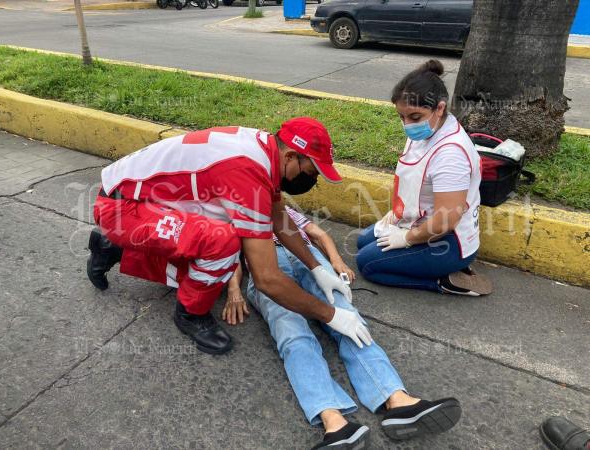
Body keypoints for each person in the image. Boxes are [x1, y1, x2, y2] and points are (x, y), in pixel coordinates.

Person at [87, 118, 372, 355]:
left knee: (209, 257)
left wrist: (317, 267)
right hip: (122, 210)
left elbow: (278, 217)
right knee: (223, 244)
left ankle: (113, 248)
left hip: (144, 200)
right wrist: (331, 315)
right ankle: (190, 314)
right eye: (311, 172)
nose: (313, 181)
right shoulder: (246, 170)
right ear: (290, 156)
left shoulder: (262, 149)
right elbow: (267, 279)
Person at [223, 206, 463, 449]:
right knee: (292, 334)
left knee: (350, 321)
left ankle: (397, 399)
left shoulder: (280, 208)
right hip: (268, 272)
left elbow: (317, 234)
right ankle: (334, 422)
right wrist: (234, 290)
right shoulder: (236, 215)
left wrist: (336, 263)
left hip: (310, 259)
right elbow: (233, 259)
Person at [356, 59, 492, 297]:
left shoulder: (451, 154)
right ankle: (423, 262)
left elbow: (445, 222)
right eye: (402, 117)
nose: (407, 125)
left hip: (449, 241)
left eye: (414, 117)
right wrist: (397, 214)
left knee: (367, 264)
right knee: (363, 241)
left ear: (439, 108)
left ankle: (445, 281)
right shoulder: (426, 130)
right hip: (419, 222)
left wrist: (407, 238)